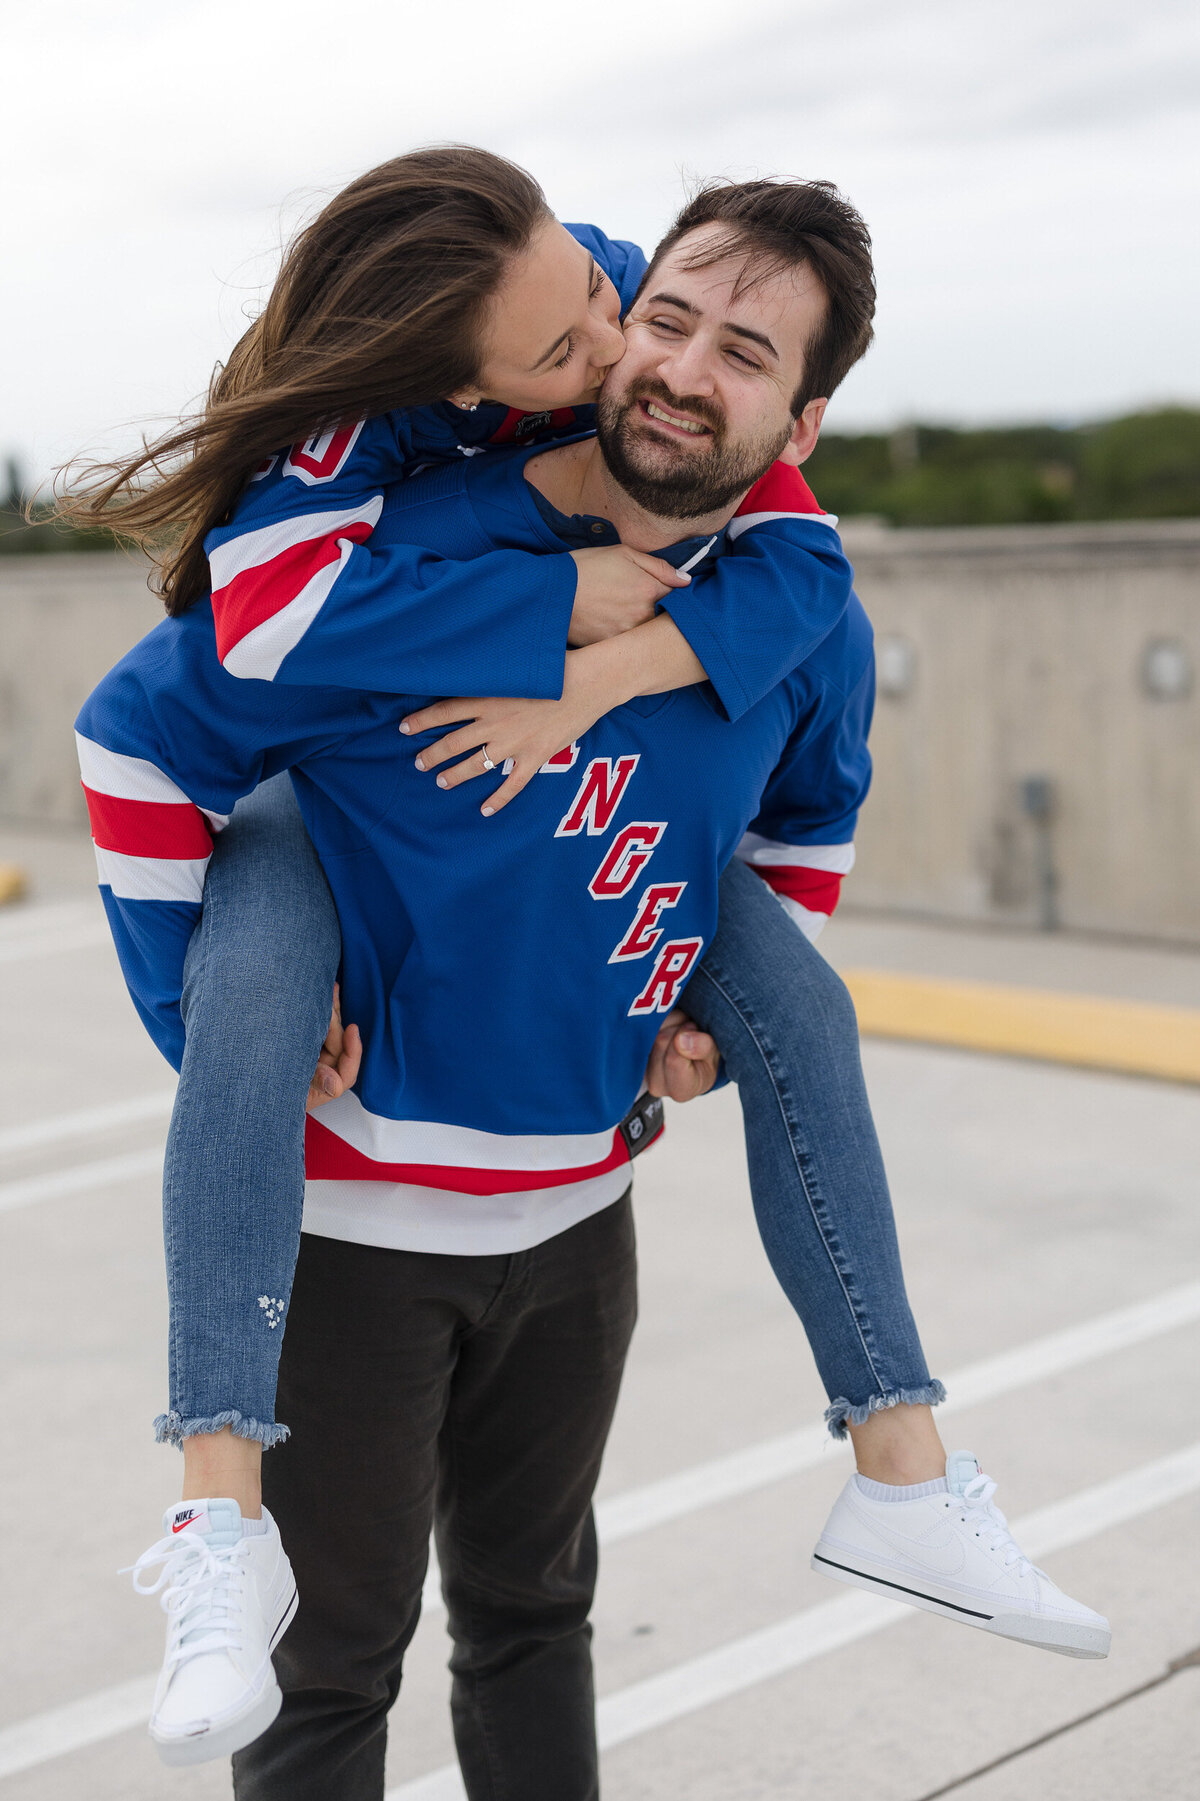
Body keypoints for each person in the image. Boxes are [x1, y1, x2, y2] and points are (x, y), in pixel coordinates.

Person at [76, 173, 1110, 1794]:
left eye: (747, 353)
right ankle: (214, 1511)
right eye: (669, 320)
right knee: (330, 1678)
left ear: (804, 419)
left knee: (537, 1619)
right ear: (601, 344)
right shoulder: (402, 566)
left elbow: (806, 820)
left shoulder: (794, 608)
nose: (686, 365)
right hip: (357, 1238)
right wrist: (209, 1027)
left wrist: (717, 1008)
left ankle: (905, 1472)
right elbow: (144, 722)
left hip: (576, 1227)